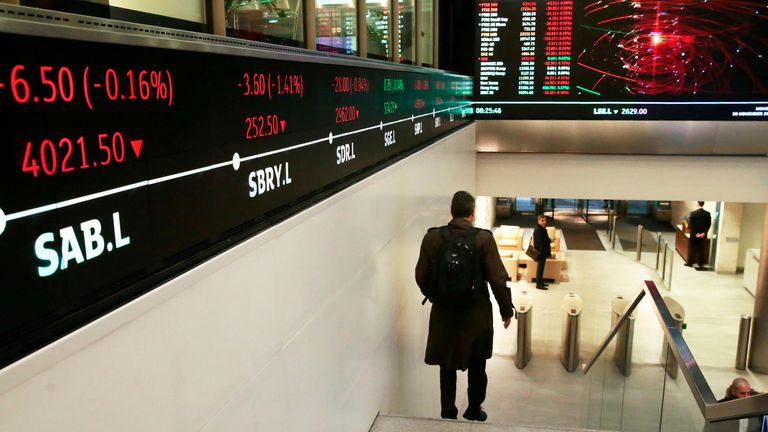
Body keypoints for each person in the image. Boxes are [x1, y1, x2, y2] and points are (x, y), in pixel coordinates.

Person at [415, 191, 515, 422]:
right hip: (476, 313)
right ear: (473, 212)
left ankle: (448, 410)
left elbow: (421, 276)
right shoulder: (483, 239)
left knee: (446, 365)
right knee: (477, 363)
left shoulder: (432, 238)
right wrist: (506, 310)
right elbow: (497, 279)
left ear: (451, 211)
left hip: (444, 314)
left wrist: (437, 296)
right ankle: (474, 409)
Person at [685, 201, 711, 267]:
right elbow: (709, 225)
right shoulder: (707, 214)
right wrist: (704, 233)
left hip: (694, 235)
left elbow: (690, 225)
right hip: (703, 236)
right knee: (701, 249)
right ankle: (700, 263)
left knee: (692, 249)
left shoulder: (693, 213)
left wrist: (696, 233)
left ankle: (690, 263)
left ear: (697, 204)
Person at [532, 214, 552, 290]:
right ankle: (538, 284)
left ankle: (540, 282)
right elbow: (540, 241)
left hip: (543, 251)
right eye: (542, 220)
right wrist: (549, 240)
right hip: (540, 252)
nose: (544, 222)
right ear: (539, 221)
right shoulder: (538, 229)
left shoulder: (541, 228)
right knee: (540, 268)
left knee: (541, 268)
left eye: (545, 220)